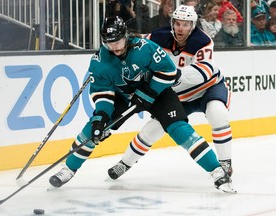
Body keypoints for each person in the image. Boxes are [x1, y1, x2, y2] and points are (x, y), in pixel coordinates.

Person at [49, 16, 235, 193]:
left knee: (179, 128)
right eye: (109, 43)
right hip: (124, 95)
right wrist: (102, 116)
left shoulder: (145, 47)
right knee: (94, 128)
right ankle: (68, 169)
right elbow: (103, 93)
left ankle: (217, 171)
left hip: (157, 92)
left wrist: (149, 92)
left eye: (118, 41)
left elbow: (169, 71)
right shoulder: (99, 62)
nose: (114, 47)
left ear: (125, 36)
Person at [107, 6, 236, 193]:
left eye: (185, 24)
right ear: (172, 23)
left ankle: (224, 163)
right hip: (177, 94)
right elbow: (135, 44)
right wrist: (118, 40)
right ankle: (124, 163)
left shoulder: (202, 41)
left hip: (207, 88)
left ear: (192, 26)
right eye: (177, 23)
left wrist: (161, 80)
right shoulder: (158, 36)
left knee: (217, 113)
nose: (180, 28)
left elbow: (203, 73)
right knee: (153, 129)